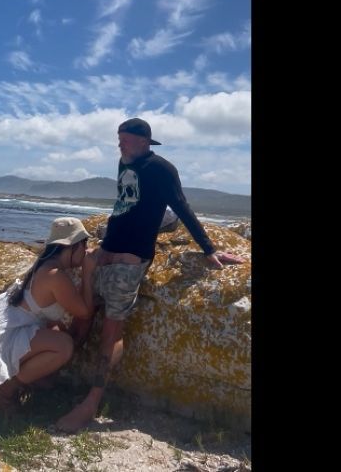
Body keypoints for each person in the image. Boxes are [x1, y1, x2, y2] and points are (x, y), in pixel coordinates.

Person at [56, 117, 244, 433]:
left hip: (130, 262)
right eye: (119, 139)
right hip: (105, 251)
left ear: (144, 141)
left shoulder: (162, 169)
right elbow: (125, 205)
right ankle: (59, 374)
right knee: (83, 315)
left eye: (125, 140)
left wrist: (209, 249)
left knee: (111, 334)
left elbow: (182, 206)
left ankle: (90, 403)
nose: (120, 145)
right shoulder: (124, 163)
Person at [0, 217, 96, 414]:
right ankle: (2, 395)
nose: (86, 251)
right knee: (64, 346)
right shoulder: (55, 275)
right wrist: (88, 273)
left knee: (57, 339)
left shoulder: (45, 265)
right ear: (72, 247)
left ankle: (23, 385)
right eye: (84, 245)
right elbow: (84, 312)